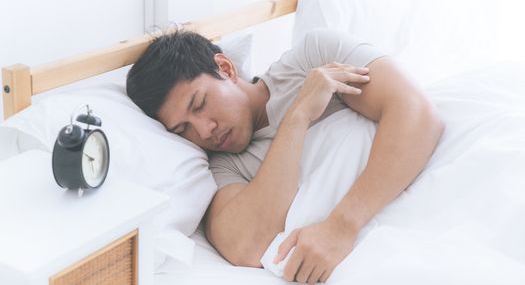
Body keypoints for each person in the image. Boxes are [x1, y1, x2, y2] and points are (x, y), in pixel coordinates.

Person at [126, 28, 444, 283]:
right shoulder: (220, 165)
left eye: (200, 104)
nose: (204, 131)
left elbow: (418, 113)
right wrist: (298, 116)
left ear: (225, 68)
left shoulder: (311, 60)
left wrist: (342, 225)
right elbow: (246, 248)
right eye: (183, 129)